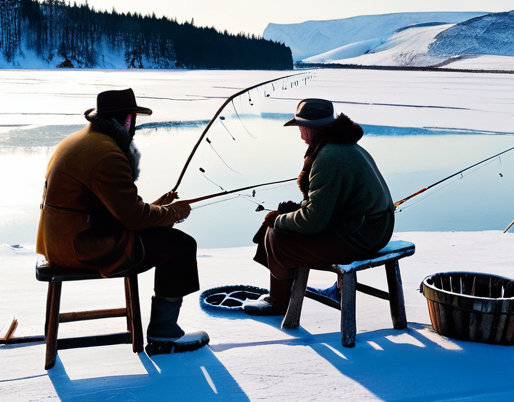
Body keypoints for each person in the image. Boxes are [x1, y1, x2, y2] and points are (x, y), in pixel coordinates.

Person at [36, 88, 209, 354]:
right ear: (126, 120)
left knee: (167, 239)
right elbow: (133, 218)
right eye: (133, 120)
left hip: (59, 242)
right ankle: (165, 334)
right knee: (180, 246)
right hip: (84, 248)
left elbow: (118, 207)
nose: (135, 129)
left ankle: (163, 330)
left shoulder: (79, 141)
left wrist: (156, 207)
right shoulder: (107, 154)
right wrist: (173, 213)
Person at [243, 98, 395, 315]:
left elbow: (314, 220)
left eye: (300, 126)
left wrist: (278, 220)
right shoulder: (342, 147)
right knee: (282, 225)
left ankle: (278, 302)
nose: (299, 132)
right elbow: (329, 202)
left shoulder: (329, 156)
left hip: (362, 235)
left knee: (278, 236)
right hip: (372, 228)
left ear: (311, 128)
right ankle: (283, 293)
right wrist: (295, 210)